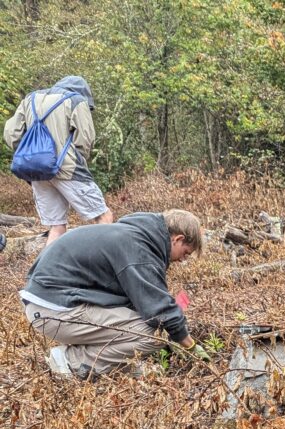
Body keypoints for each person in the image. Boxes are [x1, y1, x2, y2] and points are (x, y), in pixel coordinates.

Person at [21, 209, 208, 378]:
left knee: (141, 322)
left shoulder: (132, 235)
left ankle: (111, 365)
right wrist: (190, 345)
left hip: (50, 302)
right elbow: (159, 311)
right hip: (53, 310)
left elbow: (141, 302)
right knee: (155, 333)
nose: (183, 260)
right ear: (178, 239)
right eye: (186, 253)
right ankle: (72, 361)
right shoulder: (138, 249)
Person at [4, 76, 114, 246]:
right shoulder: (76, 100)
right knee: (103, 216)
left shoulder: (30, 98)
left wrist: (32, 156)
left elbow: (11, 134)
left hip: (38, 172)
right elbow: (85, 139)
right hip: (68, 169)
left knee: (57, 227)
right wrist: (77, 159)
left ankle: (45, 272)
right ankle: (103, 266)